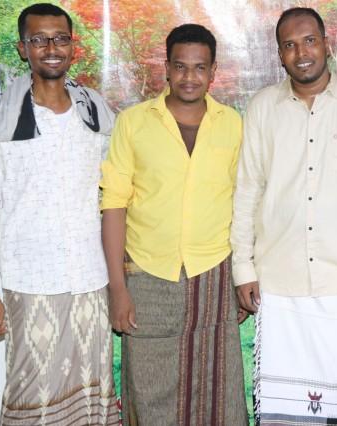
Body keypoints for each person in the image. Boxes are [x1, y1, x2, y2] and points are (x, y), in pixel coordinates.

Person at [230, 7, 337, 425]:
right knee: (283, 413)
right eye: (289, 45)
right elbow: (247, 191)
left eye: (309, 41)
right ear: (279, 54)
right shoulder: (263, 108)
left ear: (327, 43)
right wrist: (243, 268)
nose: (301, 53)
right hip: (278, 284)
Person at [0, 3, 119, 425]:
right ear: (23, 48)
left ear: (73, 46)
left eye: (60, 39)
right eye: (39, 40)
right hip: (29, 282)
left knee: (92, 390)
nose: (51, 48)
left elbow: (114, 194)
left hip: (90, 279)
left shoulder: (96, 112)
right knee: (31, 394)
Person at [100, 23, 248, 425]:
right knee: (149, 386)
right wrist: (117, 288)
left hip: (213, 275)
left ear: (213, 72)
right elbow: (114, 204)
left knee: (216, 388)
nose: (189, 77)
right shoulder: (133, 122)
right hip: (147, 275)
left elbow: (244, 203)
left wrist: (244, 277)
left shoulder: (232, 124)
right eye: (180, 66)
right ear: (166, 68)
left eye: (199, 68)